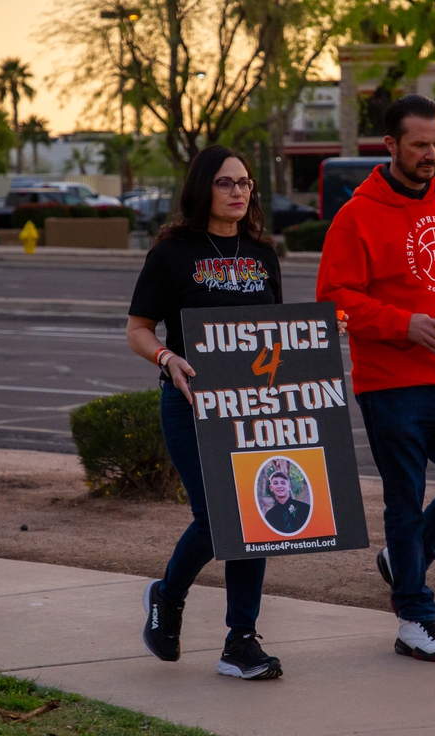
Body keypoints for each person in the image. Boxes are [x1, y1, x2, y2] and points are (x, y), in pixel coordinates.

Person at [315, 95, 435, 663]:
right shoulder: (357, 215)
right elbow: (334, 301)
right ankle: (414, 619)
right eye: (420, 144)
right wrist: (403, 325)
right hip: (391, 385)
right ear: (390, 146)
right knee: (404, 500)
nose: (431, 154)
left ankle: (406, 556)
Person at [126, 145, 285, 680]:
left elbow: (274, 335)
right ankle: (168, 597)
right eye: (226, 183)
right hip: (190, 403)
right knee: (219, 517)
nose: (239, 192)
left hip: (252, 406)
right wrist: (167, 357)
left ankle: (241, 641)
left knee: (255, 518)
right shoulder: (172, 252)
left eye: (245, 183)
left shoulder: (263, 254)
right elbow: (138, 329)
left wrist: (316, 343)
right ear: (202, 189)